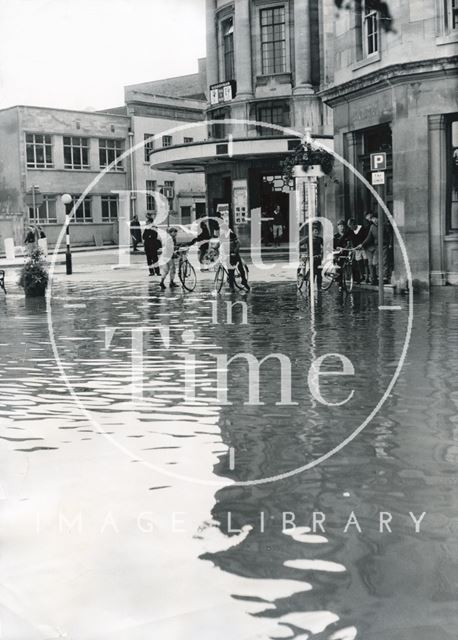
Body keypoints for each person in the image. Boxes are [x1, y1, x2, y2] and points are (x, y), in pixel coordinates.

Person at [300, 223, 323, 288]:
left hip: (318, 257)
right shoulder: (308, 238)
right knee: (312, 272)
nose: (317, 232)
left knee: (319, 272)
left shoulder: (320, 239)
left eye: (317, 231)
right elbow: (299, 243)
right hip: (311, 257)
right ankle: (310, 286)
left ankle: (319, 287)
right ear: (311, 231)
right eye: (315, 231)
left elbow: (325, 246)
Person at [358, 212, 379, 285]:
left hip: (375, 246)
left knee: (374, 263)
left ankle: (375, 278)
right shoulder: (369, 227)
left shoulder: (375, 225)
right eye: (369, 219)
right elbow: (368, 237)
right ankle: (373, 279)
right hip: (368, 247)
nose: (370, 220)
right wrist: (362, 244)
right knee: (370, 263)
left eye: (371, 218)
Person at [333, 219, 353, 290]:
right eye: (340, 226)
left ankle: (351, 279)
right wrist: (336, 248)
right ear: (338, 227)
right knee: (339, 267)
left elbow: (349, 244)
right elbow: (332, 246)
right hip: (338, 254)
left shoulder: (347, 235)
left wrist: (345, 248)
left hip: (345, 253)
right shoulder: (335, 236)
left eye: (343, 226)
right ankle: (340, 283)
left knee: (348, 264)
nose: (342, 227)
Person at [142, 212, 161, 277]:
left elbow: (154, 235)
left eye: (147, 222)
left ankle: (157, 271)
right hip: (147, 246)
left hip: (153, 245)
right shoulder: (146, 229)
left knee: (155, 259)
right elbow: (144, 237)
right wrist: (149, 236)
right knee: (149, 259)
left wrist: (149, 236)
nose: (146, 223)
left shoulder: (154, 227)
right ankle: (151, 272)